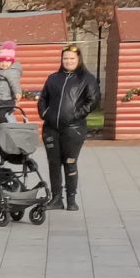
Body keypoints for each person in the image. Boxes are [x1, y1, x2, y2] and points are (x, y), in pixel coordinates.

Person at [39, 42, 98, 210]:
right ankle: (56, 198)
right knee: (54, 163)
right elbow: (43, 98)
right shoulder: (53, 78)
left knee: (70, 162)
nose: (68, 61)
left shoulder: (87, 79)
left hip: (74, 129)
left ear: (78, 59)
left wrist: (75, 116)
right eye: (65, 58)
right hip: (51, 128)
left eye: (72, 58)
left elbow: (93, 101)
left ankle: (71, 199)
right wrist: (44, 114)